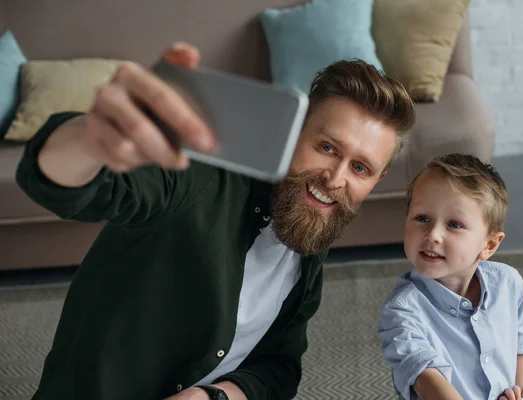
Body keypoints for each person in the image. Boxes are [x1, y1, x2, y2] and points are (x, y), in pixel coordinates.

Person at [16, 42, 415, 400]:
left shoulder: (310, 223)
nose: (336, 178)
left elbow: (279, 366)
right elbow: (74, 187)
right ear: (295, 133)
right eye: (327, 147)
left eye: (360, 168)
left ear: (377, 180)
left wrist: (215, 397)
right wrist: (88, 139)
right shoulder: (201, 179)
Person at [378, 154, 523, 400]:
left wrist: (521, 392)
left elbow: (522, 338)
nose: (433, 235)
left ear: (489, 244)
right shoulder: (402, 311)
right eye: (422, 218)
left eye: (454, 224)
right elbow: (426, 379)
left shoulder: (508, 283)